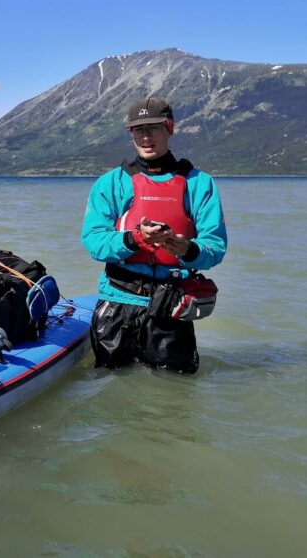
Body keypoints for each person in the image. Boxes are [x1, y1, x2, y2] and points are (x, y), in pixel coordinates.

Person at [80, 97, 227, 373]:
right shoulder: (111, 183)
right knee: (112, 395)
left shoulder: (199, 184)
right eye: (139, 130)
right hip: (117, 304)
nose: (146, 137)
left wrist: (186, 249)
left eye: (154, 128)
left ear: (170, 128)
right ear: (130, 134)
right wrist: (135, 239)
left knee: (172, 402)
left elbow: (215, 247)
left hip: (171, 308)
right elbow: (94, 242)